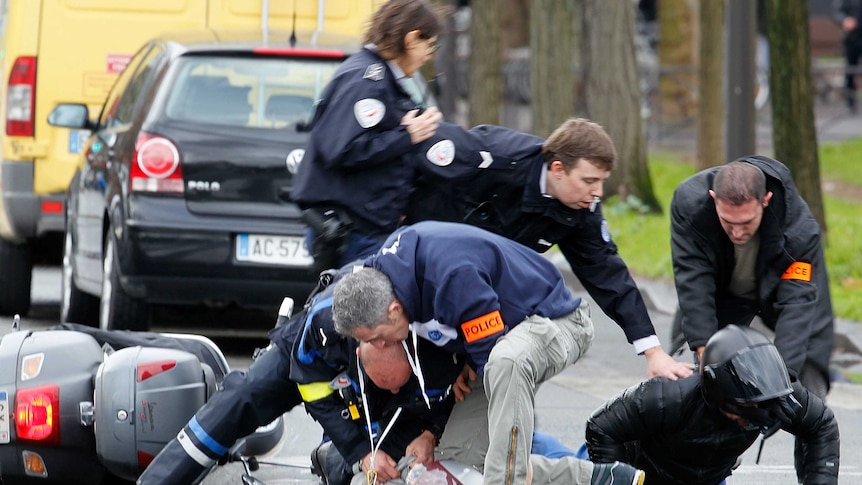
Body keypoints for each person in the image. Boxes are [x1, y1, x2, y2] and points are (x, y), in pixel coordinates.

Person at [332, 220, 647, 485]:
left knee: (504, 364)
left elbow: (500, 366)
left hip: (558, 322)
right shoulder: (376, 278)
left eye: (379, 338)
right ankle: (599, 478)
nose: (381, 346)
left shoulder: (452, 278)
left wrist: (477, 363)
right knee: (450, 466)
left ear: (394, 309)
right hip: (495, 345)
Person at [405, 118, 691, 380]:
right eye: (589, 181)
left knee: (496, 384)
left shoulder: (581, 209)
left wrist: (653, 352)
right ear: (558, 169)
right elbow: (419, 147)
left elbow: (608, 274)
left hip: (474, 295)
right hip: (415, 264)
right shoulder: (495, 156)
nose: (598, 193)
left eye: (602, 182)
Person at [292, 0, 444, 274]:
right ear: (411, 39)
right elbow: (342, 148)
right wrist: (407, 135)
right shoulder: (368, 81)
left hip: (362, 228)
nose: (429, 56)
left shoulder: (381, 79)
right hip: (354, 233)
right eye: (429, 45)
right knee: (357, 314)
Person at [585, 325, 840, 485]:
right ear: (722, 397)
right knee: (557, 466)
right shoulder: (668, 396)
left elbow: (821, 426)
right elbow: (600, 427)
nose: (760, 413)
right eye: (749, 408)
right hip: (641, 471)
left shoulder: (776, 395)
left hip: (709, 477)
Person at [669, 156, 834, 399]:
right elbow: (693, 280)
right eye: (727, 221)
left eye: (746, 222)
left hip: (786, 290)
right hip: (722, 293)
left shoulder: (799, 230)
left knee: (803, 387)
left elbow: (796, 305)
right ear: (714, 199)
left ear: (765, 201)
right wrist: (707, 361)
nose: (737, 232)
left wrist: (779, 383)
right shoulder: (690, 207)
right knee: (697, 383)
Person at [832, 0, 862, 111]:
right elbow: (836, 12)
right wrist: (844, 20)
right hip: (851, 38)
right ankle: (851, 101)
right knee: (850, 70)